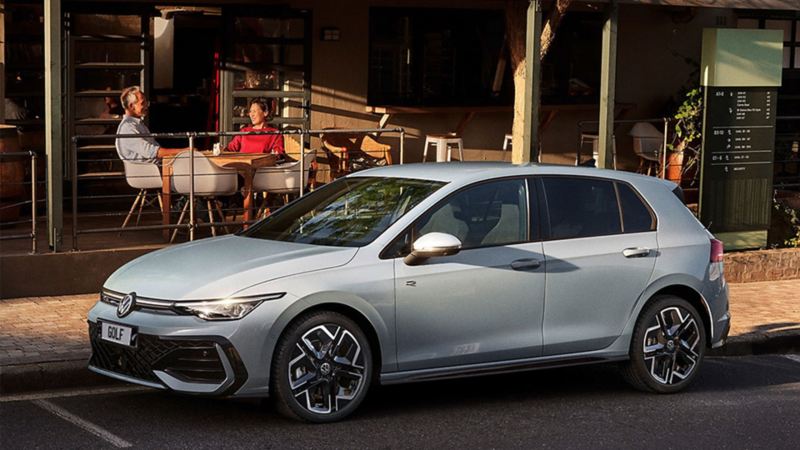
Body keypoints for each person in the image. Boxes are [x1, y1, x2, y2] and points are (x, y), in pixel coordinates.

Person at [115, 86, 185, 163]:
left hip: (155, 166)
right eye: (142, 103)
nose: (146, 106)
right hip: (148, 170)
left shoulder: (137, 124)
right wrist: (183, 151)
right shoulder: (128, 128)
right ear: (131, 106)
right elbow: (152, 152)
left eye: (146, 102)